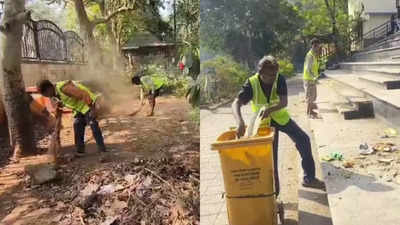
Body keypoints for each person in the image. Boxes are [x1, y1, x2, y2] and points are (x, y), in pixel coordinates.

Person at [232, 55, 325, 196]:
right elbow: (236, 103)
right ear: (260, 72)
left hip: (281, 118)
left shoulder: (279, 78)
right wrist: (240, 122)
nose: (272, 78)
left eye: (274, 74)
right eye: (269, 75)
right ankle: (274, 196)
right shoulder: (251, 83)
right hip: (263, 125)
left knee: (304, 140)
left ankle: (309, 178)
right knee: (271, 160)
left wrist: (269, 110)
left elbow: (284, 102)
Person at [37, 79, 107, 156]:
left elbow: (84, 94)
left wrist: (92, 109)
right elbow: (59, 108)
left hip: (89, 104)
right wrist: (56, 125)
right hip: (79, 109)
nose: (47, 96)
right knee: (77, 126)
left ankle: (102, 150)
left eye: (45, 94)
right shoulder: (54, 95)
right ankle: (80, 151)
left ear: (49, 88)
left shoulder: (64, 88)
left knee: (93, 125)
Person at [303, 38, 321, 119]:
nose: (318, 48)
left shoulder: (313, 55)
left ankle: (311, 111)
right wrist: (313, 77)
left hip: (312, 79)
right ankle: (308, 113)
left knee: (313, 96)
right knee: (310, 97)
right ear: (314, 46)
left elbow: (314, 67)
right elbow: (307, 68)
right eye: (317, 46)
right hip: (309, 79)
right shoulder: (310, 55)